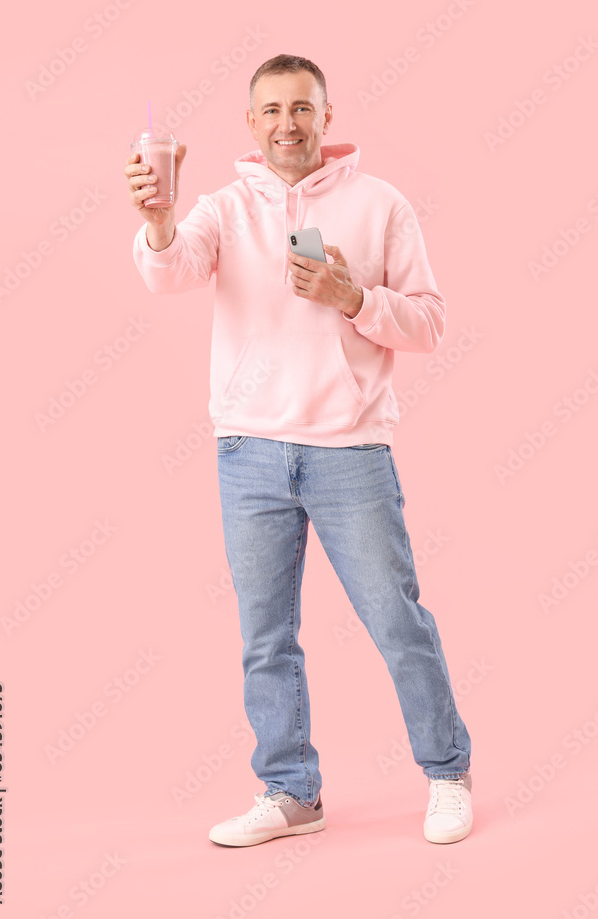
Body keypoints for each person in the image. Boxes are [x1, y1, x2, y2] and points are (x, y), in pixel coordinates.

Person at [126, 53, 473, 847]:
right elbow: (170, 272)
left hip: (348, 449)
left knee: (396, 619)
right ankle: (290, 793)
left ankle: (446, 772)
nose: (288, 123)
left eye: (302, 108)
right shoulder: (223, 206)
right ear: (250, 124)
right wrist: (155, 223)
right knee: (266, 635)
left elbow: (429, 322)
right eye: (272, 109)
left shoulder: (380, 204)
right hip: (248, 452)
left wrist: (352, 297)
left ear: (326, 117)